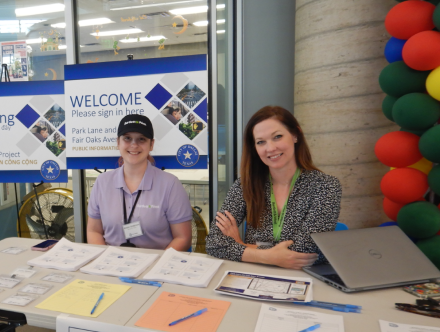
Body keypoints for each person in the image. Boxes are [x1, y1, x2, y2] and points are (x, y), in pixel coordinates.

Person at [206, 106, 342, 269]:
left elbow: (305, 250)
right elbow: (214, 243)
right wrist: (269, 256)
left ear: (295, 135)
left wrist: (241, 245)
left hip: (305, 278)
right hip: (254, 274)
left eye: (277, 137)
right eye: (260, 142)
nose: (270, 148)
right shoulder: (245, 184)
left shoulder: (326, 186)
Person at [86, 114, 193, 250]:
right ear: (118, 142)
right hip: (111, 266)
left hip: (155, 266)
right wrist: (104, 261)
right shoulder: (102, 182)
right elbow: (93, 231)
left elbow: (183, 238)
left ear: (151, 144)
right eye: (127, 138)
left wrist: (156, 266)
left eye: (141, 139)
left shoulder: (170, 185)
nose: (134, 145)